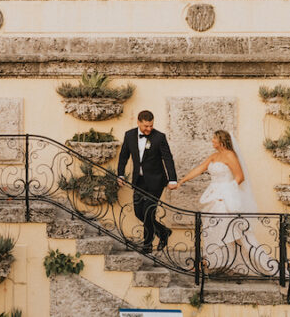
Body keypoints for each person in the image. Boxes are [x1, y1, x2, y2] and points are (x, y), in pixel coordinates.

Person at [177, 130, 277, 275]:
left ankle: (214, 263)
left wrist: (226, 194)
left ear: (221, 141)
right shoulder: (214, 156)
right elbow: (199, 169)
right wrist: (181, 181)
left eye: (214, 138)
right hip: (212, 196)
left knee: (223, 230)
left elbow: (239, 177)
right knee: (210, 230)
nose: (212, 141)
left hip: (225, 199)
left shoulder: (230, 155)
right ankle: (212, 262)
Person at [117, 110, 178, 253]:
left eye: (151, 126)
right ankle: (163, 232)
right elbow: (123, 156)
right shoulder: (129, 135)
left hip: (156, 181)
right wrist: (120, 175)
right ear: (138, 122)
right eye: (145, 126)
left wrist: (173, 179)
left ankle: (147, 245)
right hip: (139, 181)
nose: (149, 129)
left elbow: (168, 159)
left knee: (148, 212)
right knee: (139, 212)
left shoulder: (159, 137)